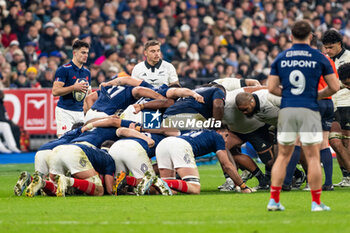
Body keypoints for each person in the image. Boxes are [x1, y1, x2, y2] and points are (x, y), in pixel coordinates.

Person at [266, 20, 339, 211]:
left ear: (291, 36)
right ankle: (316, 203)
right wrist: (317, 95)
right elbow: (335, 86)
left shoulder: (281, 57)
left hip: (288, 109)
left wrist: (289, 95)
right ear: (310, 37)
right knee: (313, 157)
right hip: (309, 109)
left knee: (282, 156)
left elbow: (271, 87)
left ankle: (274, 200)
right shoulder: (319, 57)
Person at [151, 127, 252, 195]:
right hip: (179, 145)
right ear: (219, 131)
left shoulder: (199, 131)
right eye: (226, 135)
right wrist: (243, 186)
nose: (226, 140)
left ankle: (142, 183)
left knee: (169, 190)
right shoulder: (217, 137)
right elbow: (227, 165)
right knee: (194, 188)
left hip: (164, 144)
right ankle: (158, 181)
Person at [321, 29, 350, 187]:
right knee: (335, 142)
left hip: (347, 102)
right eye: (325, 47)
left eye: (330, 47)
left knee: (347, 142)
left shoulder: (349, 57)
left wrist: (332, 86)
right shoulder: (325, 59)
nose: (327, 50)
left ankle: (348, 176)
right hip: (332, 104)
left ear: (339, 44)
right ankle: (346, 175)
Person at [52, 40, 91, 137]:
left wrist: (87, 111)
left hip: (80, 113)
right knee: (64, 141)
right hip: (65, 111)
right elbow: (55, 91)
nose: (85, 55)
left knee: (80, 141)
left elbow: (87, 94)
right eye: (83, 52)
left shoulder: (87, 73)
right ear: (74, 53)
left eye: (87, 53)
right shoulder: (64, 69)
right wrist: (74, 87)